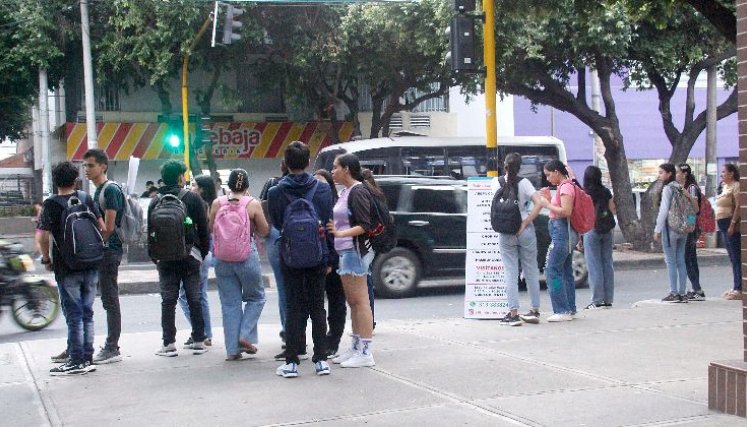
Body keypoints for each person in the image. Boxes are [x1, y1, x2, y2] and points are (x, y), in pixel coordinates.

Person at [268, 141, 335, 378]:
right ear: (308, 162)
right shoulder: (323, 189)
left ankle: (292, 362)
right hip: (318, 254)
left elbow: (276, 223)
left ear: (285, 163)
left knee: (294, 308)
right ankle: (321, 360)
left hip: (289, 255)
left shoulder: (275, 191)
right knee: (318, 307)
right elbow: (327, 220)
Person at [40, 161, 102, 375]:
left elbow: (43, 237)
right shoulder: (86, 198)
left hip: (67, 266)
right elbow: (101, 227)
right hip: (92, 262)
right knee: (88, 313)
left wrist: (46, 259)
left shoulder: (51, 204)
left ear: (55, 181)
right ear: (75, 180)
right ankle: (88, 358)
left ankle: (76, 360)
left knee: (74, 314)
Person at [148, 160, 210, 356]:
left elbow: (150, 232)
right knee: (194, 297)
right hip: (191, 257)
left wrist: (155, 256)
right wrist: (203, 252)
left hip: (165, 258)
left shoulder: (155, 201)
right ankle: (199, 340)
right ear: (179, 177)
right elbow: (204, 228)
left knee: (168, 300)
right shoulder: (192, 198)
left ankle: (168, 344)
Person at [209, 169, 270, 361]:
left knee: (230, 304)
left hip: (222, 258)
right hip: (246, 256)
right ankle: (244, 334)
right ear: (247, 187)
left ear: (228, 185)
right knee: (256, 297)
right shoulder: (252, 204)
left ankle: (232, 350)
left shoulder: (217, 203)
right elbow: (264, 230)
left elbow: (211, 228)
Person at [326, 153, 377, 368]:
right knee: (353, 303)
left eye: (336, 167)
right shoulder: (346, 191)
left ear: (347, 169)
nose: (332, 171)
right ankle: (356, 347)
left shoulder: (357, 191)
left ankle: (365, 352)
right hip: (346, 253)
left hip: (355, 251)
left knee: (361, 302)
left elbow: (365, 225)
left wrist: (339, 234)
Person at [491, 153, 544, 325]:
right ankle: (534, 310)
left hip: (506, 231)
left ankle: (513, 314)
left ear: (503, 165)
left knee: (510, 271)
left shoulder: (495, 183)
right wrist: (526, 221)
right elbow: (539, 203)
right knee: (531, 270)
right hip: (525, 230)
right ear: (520, 167)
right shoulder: (525, 183)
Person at [84, 148, 125, 364]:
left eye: (90, 165)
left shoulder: (110, 191)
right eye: (85, 166)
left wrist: (92, 245)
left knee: (110, 298)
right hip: (103, 250)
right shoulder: (98, 191)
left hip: (109, 250)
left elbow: (108, 227)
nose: (87, 170)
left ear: (103, 166)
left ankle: (112, 347)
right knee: (106, 298)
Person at [259, 161, 297, 360]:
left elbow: (263, 212)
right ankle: (300, 337)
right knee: (305, 290)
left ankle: (289, 337)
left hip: (277, 238)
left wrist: (268, 233)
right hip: (305, 238)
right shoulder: (314, 185)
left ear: (283, 164)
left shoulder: (272, 187)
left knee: (284, 290)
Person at [179, 175, 217, 348]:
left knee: (187, 295)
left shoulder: (202, 206)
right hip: (204, 252)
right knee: (199, 295)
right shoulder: (209, 204)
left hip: (200, 252)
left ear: (201, 189)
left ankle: (201, 331)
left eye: (194, 185)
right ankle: (202, 332)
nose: (191, 187)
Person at [538, 160, 579, 322]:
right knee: (565, 270)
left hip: (562, 233)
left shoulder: (566, 187)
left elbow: (566, 211)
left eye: (548, 174)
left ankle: (562, 309)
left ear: (556, 172)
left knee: (551, 269)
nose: (548, 179)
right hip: (564, 233)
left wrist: (547, 204)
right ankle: (569, 308)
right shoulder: (566, 186)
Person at [314, 169, 345, 357]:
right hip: (316, 260)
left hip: (335, 261)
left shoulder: (337, 206)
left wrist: (332, 261)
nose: (319, 188)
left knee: (336, 302)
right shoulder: (311, 205)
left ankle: (333, 340)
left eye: (322, 183)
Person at [581, 165, 616, 309]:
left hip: (591, 230)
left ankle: (597, 300)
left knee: (594, 266)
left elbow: (583, 215)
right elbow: (612, 209)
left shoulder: (586, 193)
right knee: (607, 264)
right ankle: (608, 299)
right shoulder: (606, 191)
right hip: (606, 230)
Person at [654, 163, 689, 303]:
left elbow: (663, 210)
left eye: (661, 172)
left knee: (671, 261)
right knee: (681, 260)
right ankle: (683, 292)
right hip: (683, 228)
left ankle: (674, 293)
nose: (659, 175)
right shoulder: (680, 187)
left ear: (669, 174)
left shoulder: (668, 189)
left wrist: (657, 229)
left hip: (670, 229)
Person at [676, 164, 706, 301]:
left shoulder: (691, 188)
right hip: (688, 226)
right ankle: (695, 288)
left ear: (684, 174)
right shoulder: (684, 188)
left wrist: (690, 225)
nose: (676, 174)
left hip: (691, 227)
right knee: (690, 258)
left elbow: (694, 208)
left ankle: (697, 289)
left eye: (677, 172)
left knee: (688, 258)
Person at [716, 163, 741, 300]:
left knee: (737, 257)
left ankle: (739, 288)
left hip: (731, 224)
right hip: (723, 224)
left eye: (724, 172)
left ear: (731, 173)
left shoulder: (736, 186)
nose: (721, 174)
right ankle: (735, 286)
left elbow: (738, 206)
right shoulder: (724, 186)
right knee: (732, 257)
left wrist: (732, 224)